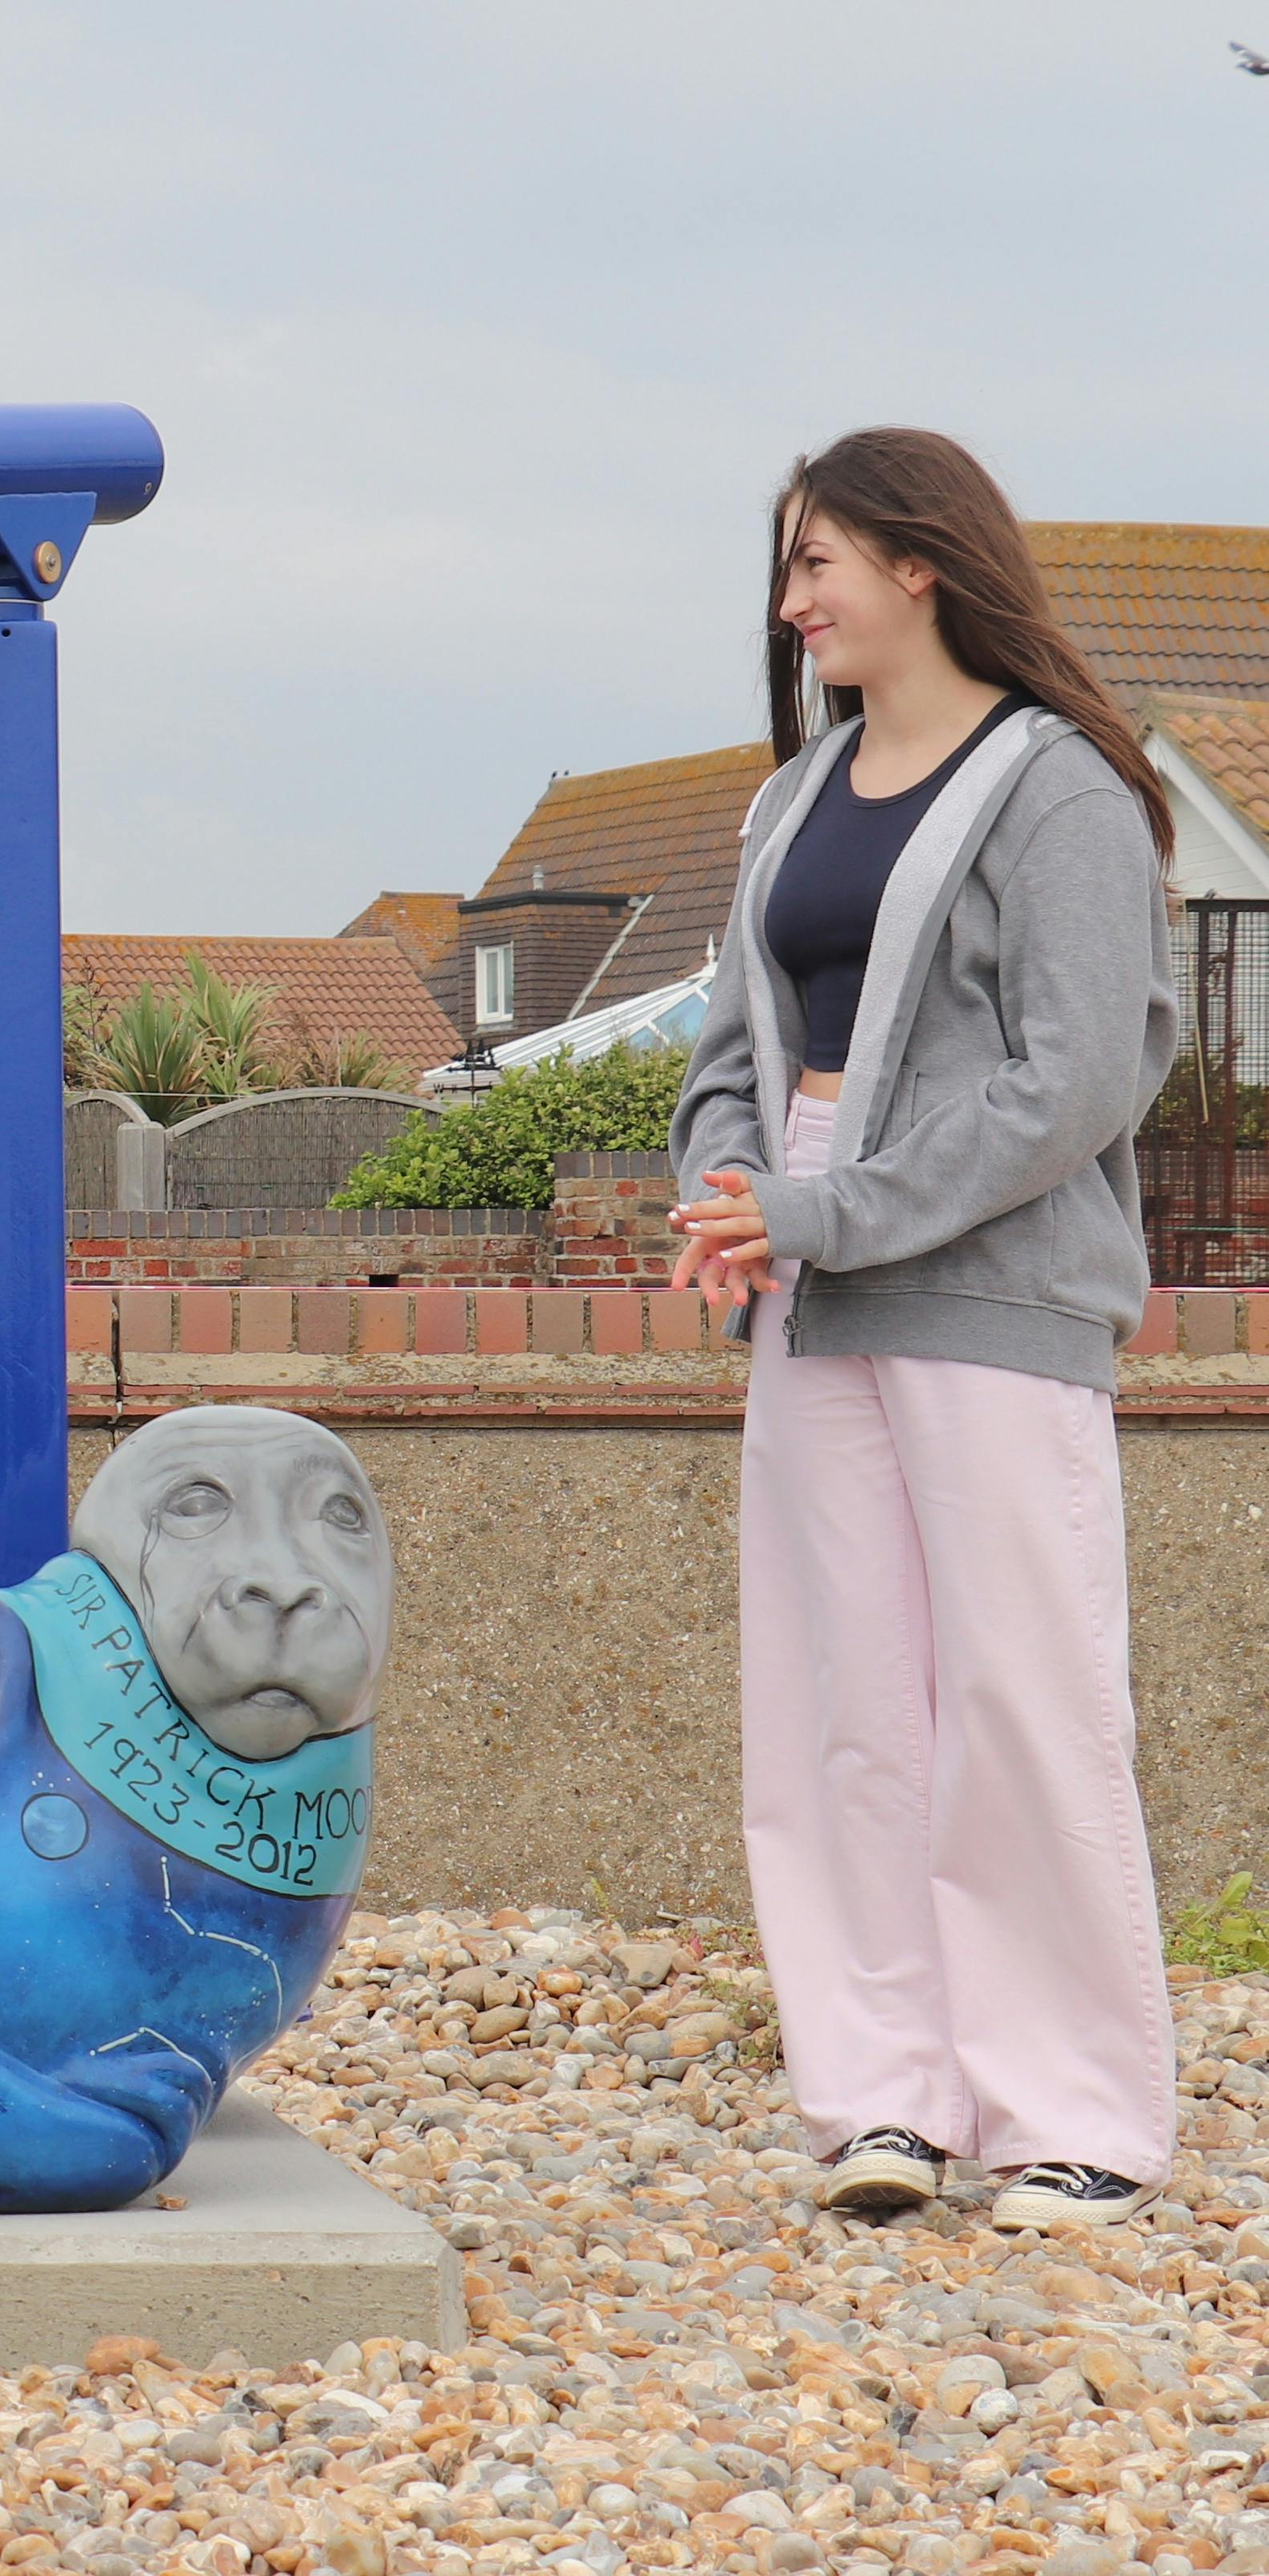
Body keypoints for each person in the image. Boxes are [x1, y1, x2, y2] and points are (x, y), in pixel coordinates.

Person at [670, 427, 1179, 2234]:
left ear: (922, 564)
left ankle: (1079, 2110)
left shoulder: (1060, 794)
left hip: (986, 1281)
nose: (794, 600)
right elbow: (737, 1045)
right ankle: (886, 2099)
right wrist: (730, 1194)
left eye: (821, 563)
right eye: (789, 570)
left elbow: (1075, 1078)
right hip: (811, 1270)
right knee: (843, 1708)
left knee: (1023, 1699)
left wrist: (823, 1210)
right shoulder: (787, 801)